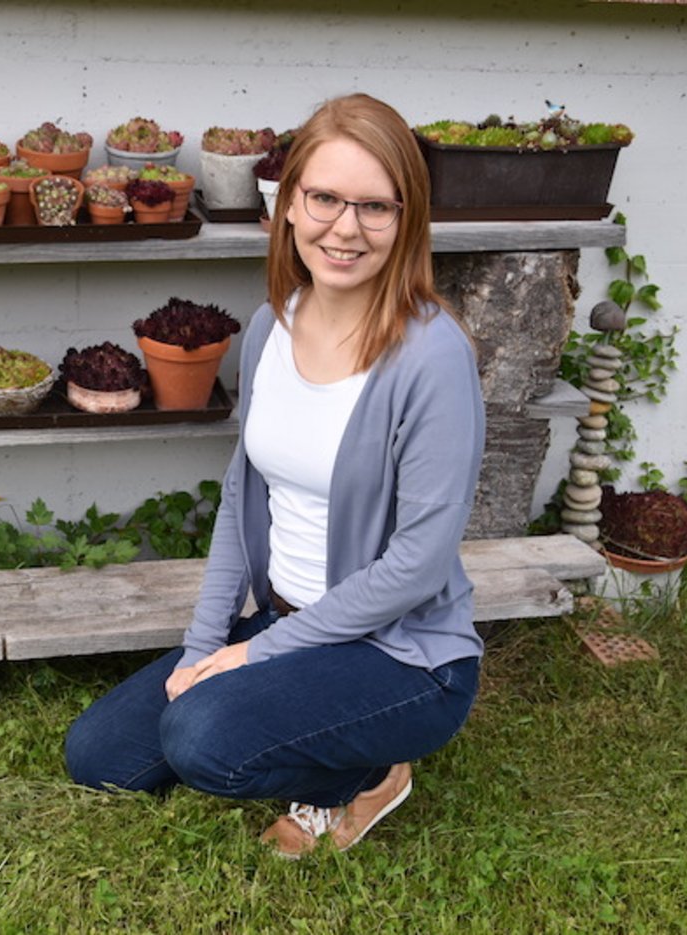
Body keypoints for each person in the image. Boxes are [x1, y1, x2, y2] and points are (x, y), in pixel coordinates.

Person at [64, 93, 486, 859]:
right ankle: (288, 710)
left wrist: (253, 656)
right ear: (288, 205)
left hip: (401, 655)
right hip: (284, 624)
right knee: (98, 758)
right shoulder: (272, 325)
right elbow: (242, 492)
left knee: (203, 740)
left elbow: (418, 564)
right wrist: (203, 647)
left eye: (374, 207)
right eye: (324, 197)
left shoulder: (432, 357)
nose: (345, 227)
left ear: (406, 219)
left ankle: (367, 774)